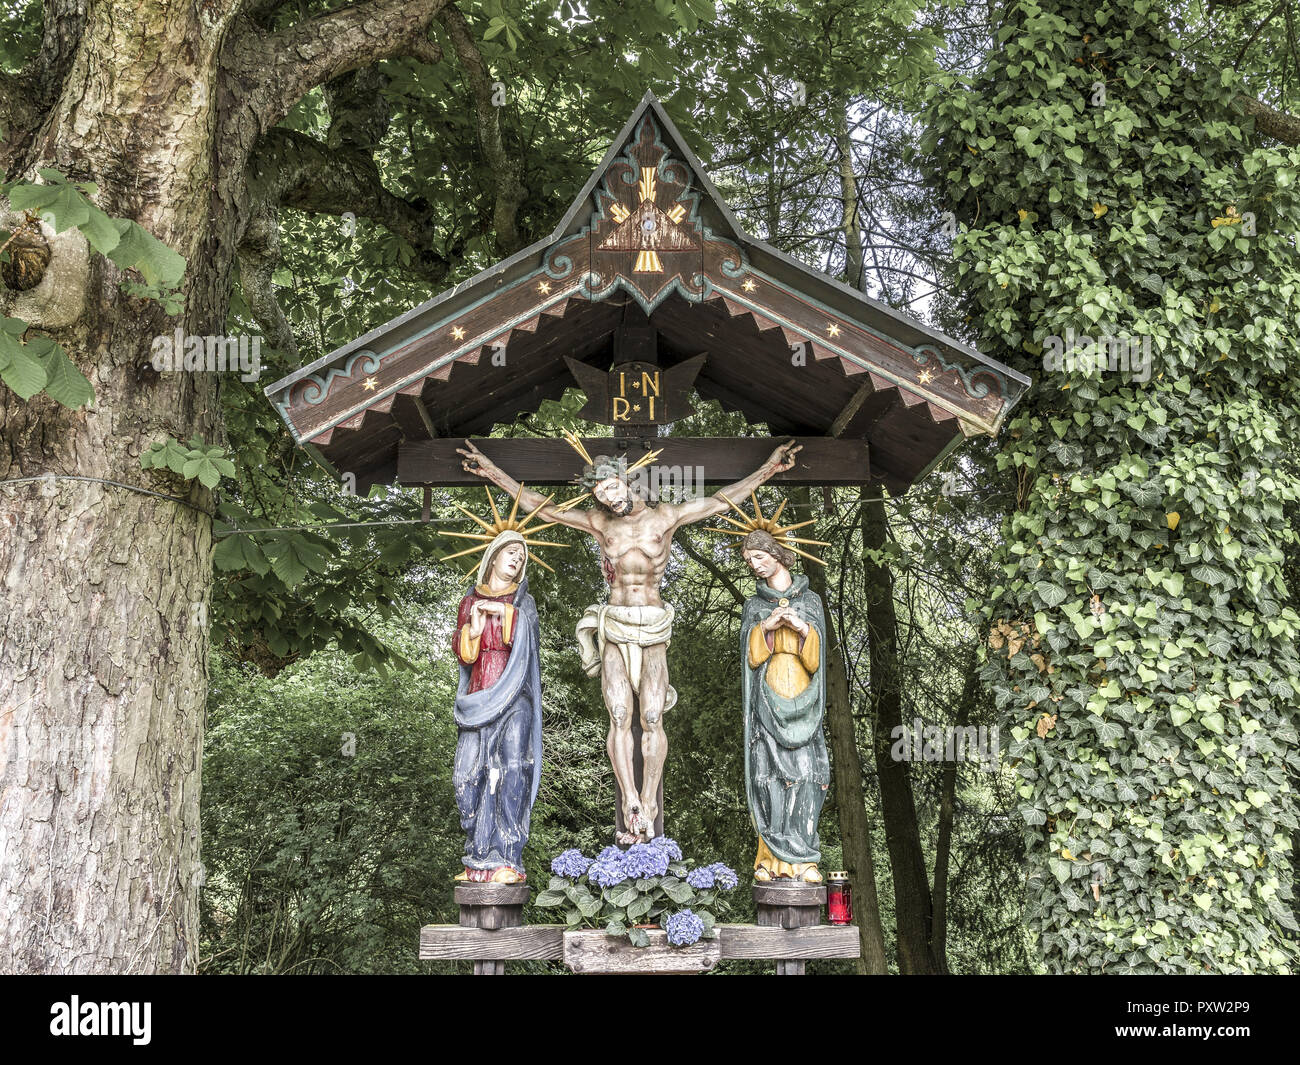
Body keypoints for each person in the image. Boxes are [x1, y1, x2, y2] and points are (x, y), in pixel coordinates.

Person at [457, 437, 801, 843]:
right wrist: (491, 471)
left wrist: (770, 469)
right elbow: (540, 507)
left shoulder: (665, 517)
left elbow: (723, 501)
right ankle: (630, 801)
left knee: (652, 716)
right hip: (615, 621)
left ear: (626, 481)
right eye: (600, 494)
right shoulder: (601, 524)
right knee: (620, 713)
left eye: (611, 488)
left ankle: (650, 802)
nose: (607, 499)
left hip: (653, 623)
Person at [450, 530, 543, 883]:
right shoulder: (468, 601)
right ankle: (477, 854)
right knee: (467, 776)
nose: (517, 558)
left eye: (522, 555)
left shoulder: (524, 602)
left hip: (515, 693)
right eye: (511, 551)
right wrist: (474, 624)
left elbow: (528, 643)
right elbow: (464, 654)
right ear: (493, 557)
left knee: (512, 769)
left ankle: (507, 857)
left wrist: (504, 613)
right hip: (478, 694)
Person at [739, 529, 829, 883]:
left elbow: (817, 660)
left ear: (776, 553)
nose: (755, 565)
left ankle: (804, 860)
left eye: (759, 557)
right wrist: (766, 626)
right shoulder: (754, 606)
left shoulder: (811, 601)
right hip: (767, 700)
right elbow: (751, 657)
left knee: (807, 776)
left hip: (803, 699)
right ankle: (770, 859)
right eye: (749, 561)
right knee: (766, 777)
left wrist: (803, 628)